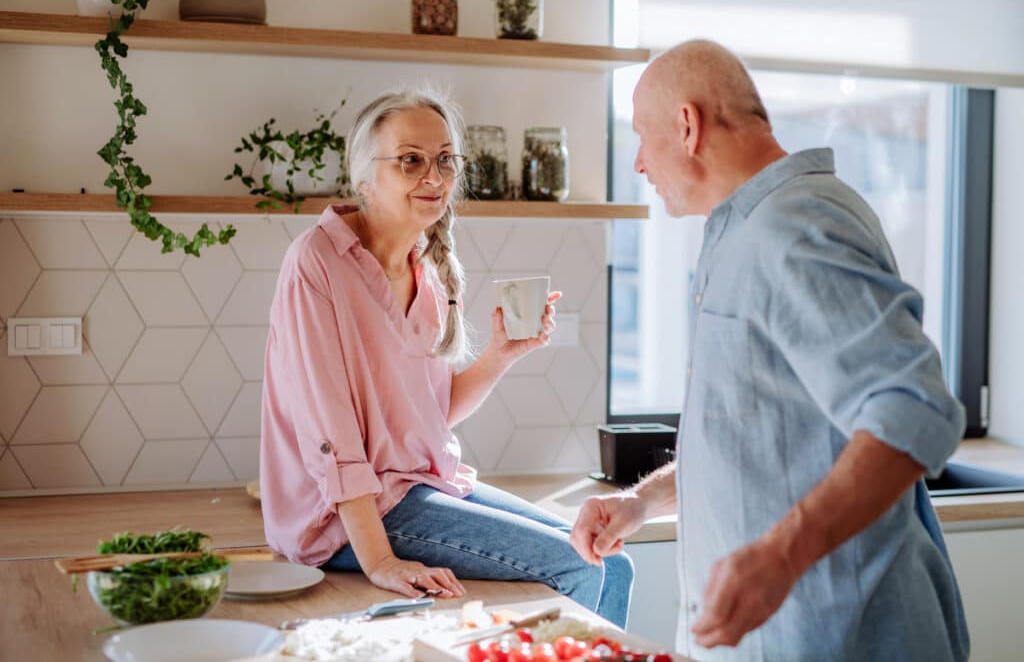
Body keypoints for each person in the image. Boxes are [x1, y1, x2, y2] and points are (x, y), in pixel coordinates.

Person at [570, 40, 969, 660]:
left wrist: (782, 556)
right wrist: (641, 501)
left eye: (643, 139)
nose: (640, 164)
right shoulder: (741, 232)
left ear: (687, 125)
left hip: (839, 639)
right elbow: (767, 439)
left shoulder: (798, 226)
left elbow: (914, 409)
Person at [261, 87, 633, 626]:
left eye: (444, 161)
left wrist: (502, 353)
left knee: (610, 561)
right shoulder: (316, 263)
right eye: (410, 161)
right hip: (340, 521)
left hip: (414, 490)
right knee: (583, 566)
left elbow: (428, 420)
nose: (433, 177)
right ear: (365, 176)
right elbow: (331, 437)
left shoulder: (426, 271)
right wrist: (380, 561)